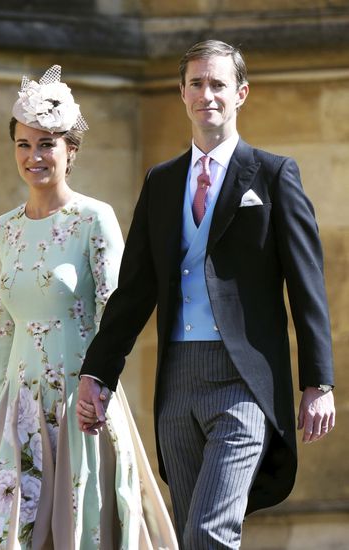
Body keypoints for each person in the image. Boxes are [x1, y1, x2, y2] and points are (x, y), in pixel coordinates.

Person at [76, 40, 336, 549]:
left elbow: (308, 286)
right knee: (188, 536)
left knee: (210, 533)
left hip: (245, 383)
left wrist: (318, 381)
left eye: (218, 84)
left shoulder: (274, 174)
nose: (206, 95)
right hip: (176, 384)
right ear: (181, 93)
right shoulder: (162, 182)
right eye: (196, 83)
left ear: (240, 93)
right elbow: (133, 292)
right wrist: (97, 373)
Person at [0, 65, 178, 550]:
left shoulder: (93, 218)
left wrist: (99, 390)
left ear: (71, 150)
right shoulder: (5, 228)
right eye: (23, 144)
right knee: (11, 536)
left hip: (81, 404)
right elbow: (2, 324)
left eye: (47, 144)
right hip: (18, 411)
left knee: (81, 534)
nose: (34, 156)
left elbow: (116, 315)